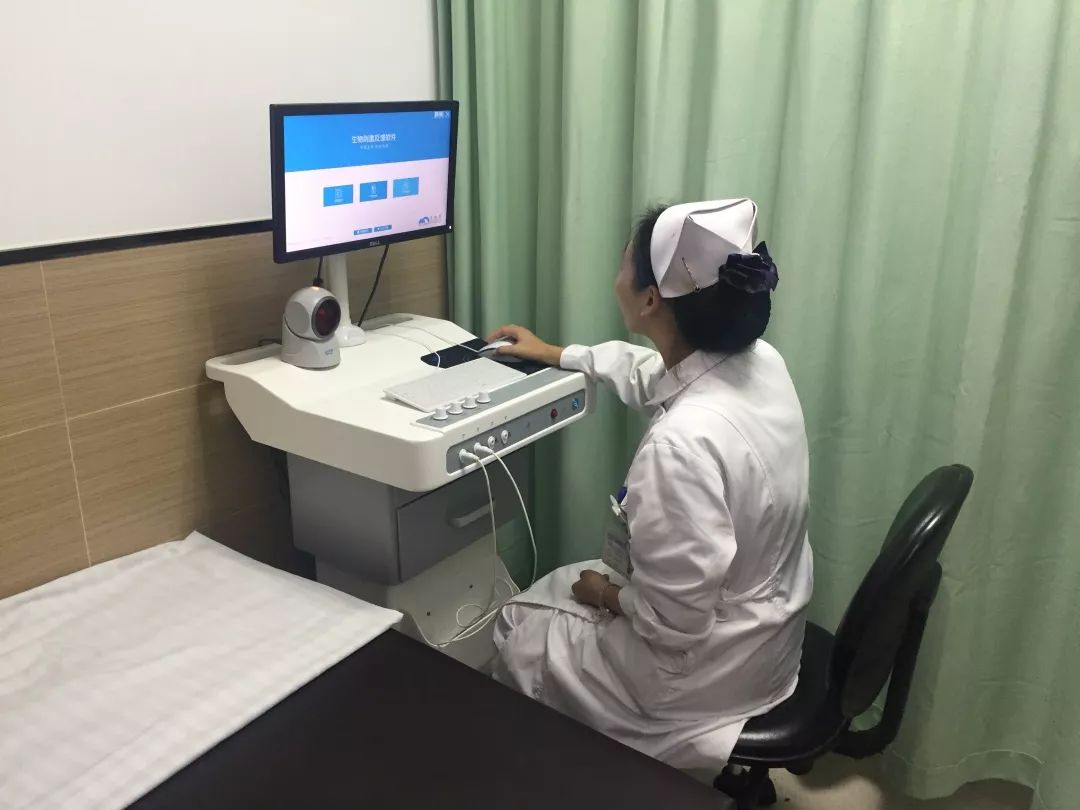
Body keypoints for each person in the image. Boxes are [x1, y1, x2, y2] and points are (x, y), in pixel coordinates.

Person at [486, 198, 813, 769]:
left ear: (649, 300)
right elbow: (655, 375)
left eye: (623, 262)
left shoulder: (680, 446)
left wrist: (605, 596)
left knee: (517, 622)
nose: (617, 271)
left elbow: (675, 624)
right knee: (561, 584)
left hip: (702, 674)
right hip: (771, 637)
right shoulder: (759, 362)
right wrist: (558, 354)